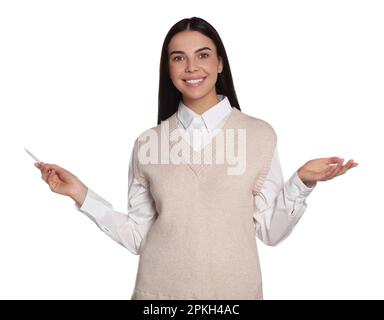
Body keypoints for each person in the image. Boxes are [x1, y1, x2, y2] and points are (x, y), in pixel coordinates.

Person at [34, 17, 358, 300]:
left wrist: (302, 181)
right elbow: (138, 237)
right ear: (168, 68)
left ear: (219, 63)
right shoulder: (148, 143)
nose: (191, 67)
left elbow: (271, 232)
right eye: (179, 58)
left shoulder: (259, 136)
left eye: (202, 55)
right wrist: (80, 193)